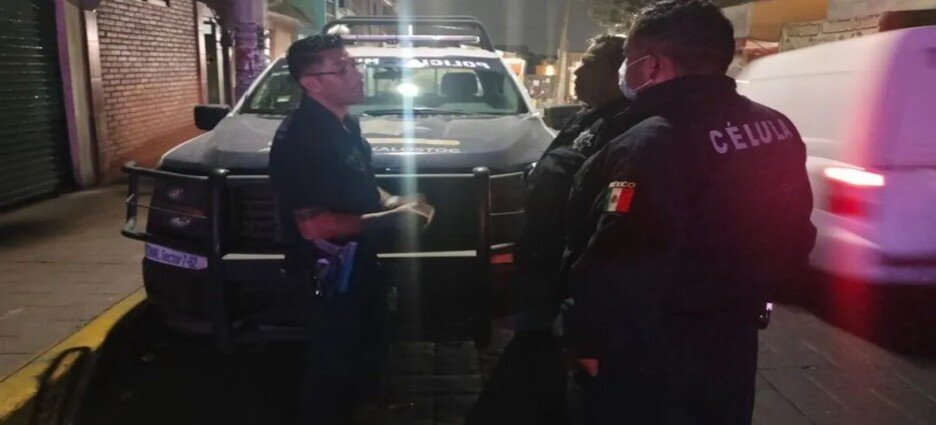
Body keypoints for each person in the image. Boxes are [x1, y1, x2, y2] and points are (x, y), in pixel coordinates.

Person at [563, 1, 816, 424]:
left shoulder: (651, 143)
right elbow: (795, 230)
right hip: (734, 337)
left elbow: (621, 254)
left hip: (654, 351)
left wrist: (587, 338)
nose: (624, 70)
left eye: (628, 58)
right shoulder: (776, 126)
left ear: (653, 65)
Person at [268, 34, 432, 424]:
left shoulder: (345, 125)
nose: (357, 74)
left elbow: (362, 184)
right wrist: (394, 219)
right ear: (312, 83)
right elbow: (313, 225)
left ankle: (366, 408)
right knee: (332, 363)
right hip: (327, 270)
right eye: (343, 68)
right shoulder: (301, 138)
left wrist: (394, 201)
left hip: (359, 262)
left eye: (353, 64)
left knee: (368, 345)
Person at [466, 35, 629, 425]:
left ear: (616, 74)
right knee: (536, 370)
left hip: (566, 277)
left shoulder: (626, 127)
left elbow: (609, 212)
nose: (577, 70)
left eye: (589, 63)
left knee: (540, 376)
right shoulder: (588, 117)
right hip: (541, 268)